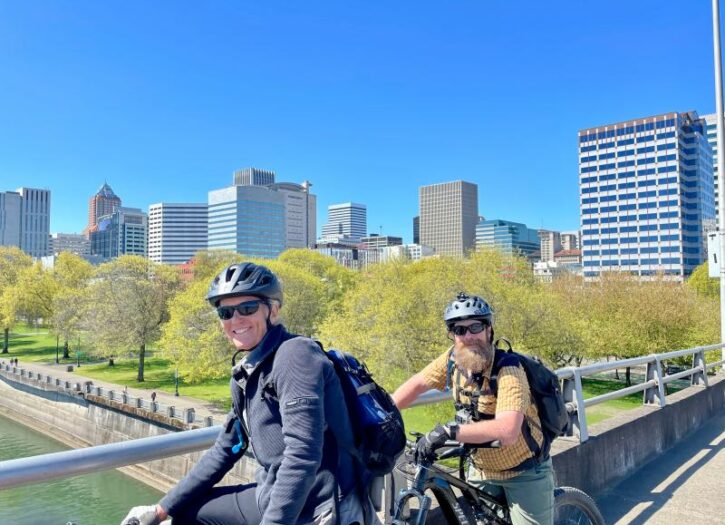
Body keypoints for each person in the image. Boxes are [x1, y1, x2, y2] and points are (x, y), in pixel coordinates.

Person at [121, 262, 364, 525]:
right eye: (225, 312)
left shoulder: (296, 355)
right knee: (185, 513)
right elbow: (226, 448)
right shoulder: (248, 373)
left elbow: (303, 456)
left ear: (274, 310)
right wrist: (161, 509)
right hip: (271, 493)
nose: (235, 320)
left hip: (318, 505)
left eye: (247, 308)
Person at [392, 292, 555, 525]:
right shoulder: (453, 360)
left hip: (524, 472)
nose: (468, 336)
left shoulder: (508, 369)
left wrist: (449, 432)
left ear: (489, 330)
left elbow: (508, 431)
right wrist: (382, 414)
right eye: (459, 330)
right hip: (480, 472)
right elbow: (417, 383)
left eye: (475, 326)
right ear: (453, 336)